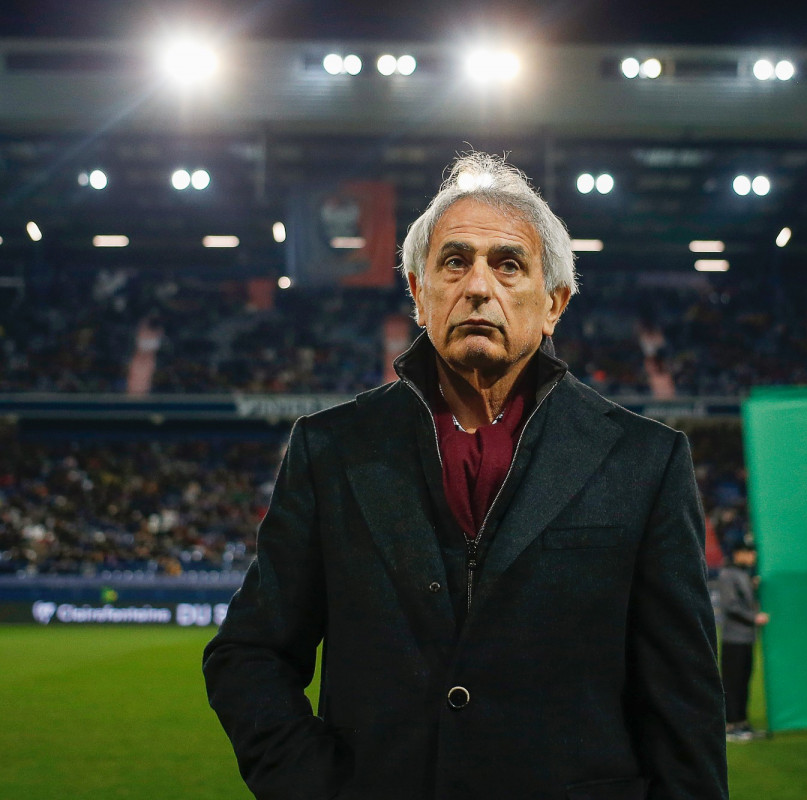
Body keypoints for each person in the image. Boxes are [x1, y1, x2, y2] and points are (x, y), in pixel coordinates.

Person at [202, 152, 728, 800]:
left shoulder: (645, 461)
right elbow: (248, 654)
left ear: (554, 303)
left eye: (508, 265)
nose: (478, 286)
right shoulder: (331, 449)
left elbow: (684, 705)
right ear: (419, 294)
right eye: (454, 262)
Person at [717, 539, 768, 741]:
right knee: (733, 682)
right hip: (734, 639)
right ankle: (731, 724)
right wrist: (753, 618)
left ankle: (742, 722)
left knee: (744, 681)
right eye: (749, 552)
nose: (753, 556)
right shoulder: (728, 575)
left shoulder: (743, 574)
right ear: (738, 553)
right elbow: (731, 606)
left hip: (747, 638)